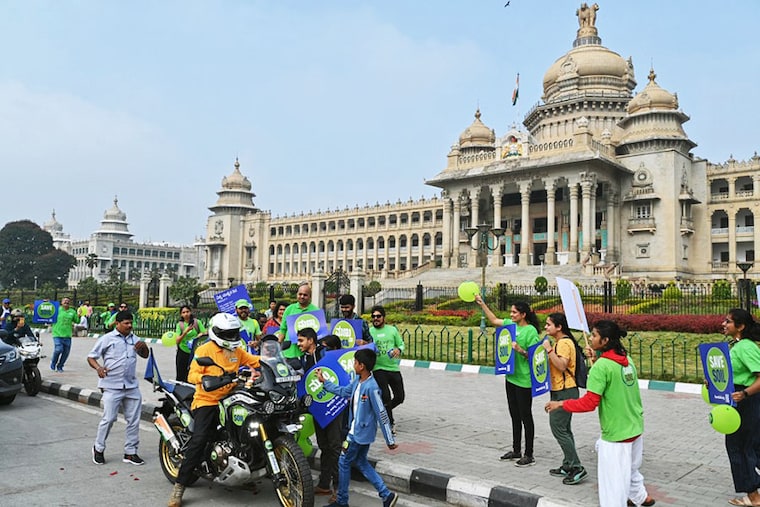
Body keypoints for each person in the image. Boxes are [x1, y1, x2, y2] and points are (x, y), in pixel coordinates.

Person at [546, 320, 653, 507]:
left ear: (604, 340)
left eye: (594, 335)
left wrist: (561, 404)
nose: (591, 338)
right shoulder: (628, 361)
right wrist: (596, 359)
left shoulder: (601, 367)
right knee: (631, 468)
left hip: (616, 434)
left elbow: (589, 403)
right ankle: (640, 497)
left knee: (612, 484)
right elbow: (613, 382)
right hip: (635, 426)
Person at [167, 313, 261, 507]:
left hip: (231, 397)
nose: (233, 336)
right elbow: (192, 373)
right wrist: (204, 380)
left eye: (234, 333)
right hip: (207, 399)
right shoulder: (204, 350)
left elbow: (254, 360)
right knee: (199, 439)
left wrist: (276, 363)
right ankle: (179, 486)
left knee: (248, 430)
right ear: (218, 333)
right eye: (229, 333)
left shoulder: (237, 350)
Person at [316, 348, 399, 507]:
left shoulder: (372, 387)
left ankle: (342, 501)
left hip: (358, 433)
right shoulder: (357, 381)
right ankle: (386, 495)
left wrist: (389, 439)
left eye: (355, 362)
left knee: (343, 462)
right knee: (361, 462)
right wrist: (325, 382)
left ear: (362, 366)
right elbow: (344, 391)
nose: (353, 364)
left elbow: (381, 412)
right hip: (358, 432)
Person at [475, 294, 540, 466]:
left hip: (524, 380)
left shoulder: (531, 331)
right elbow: (495, 320)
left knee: (526, 416)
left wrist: (520, 350)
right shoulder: (511, 326)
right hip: (510, 377)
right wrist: (482, 304)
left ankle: (529, 453)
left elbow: (535, 356)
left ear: (523, 314)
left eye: (514, 312)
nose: (511, 315)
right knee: (514, 414)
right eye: (511, 312)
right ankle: (516, 449)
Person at [87, 310, 149, 466]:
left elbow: (145, 355)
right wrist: (99, 368)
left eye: (131, 323)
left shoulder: (135, 339)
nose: (129, 326)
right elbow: (91, 357)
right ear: (117, 324)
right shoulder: (107, 339)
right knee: (109, 419)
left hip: (131, 385)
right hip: (111, 385)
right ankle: (98, 448)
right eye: (126, 323)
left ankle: (130, 453)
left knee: (133, 420)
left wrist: (144, 347)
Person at [542, 312, 587, 485]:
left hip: (565, 391)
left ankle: (577, 466)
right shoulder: (561, 342)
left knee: (558, 428)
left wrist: (548, 349)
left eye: (548, 324)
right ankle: (568, 464)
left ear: (559, 327)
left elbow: (561, 366)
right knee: (565, 429)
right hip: (562, 389)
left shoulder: (563, 343)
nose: (546, 327)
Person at [296, 327, 342, 497]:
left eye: (301, 340)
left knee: (335, 447)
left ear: (310, 340)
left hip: (333, 406)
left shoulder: (325, 353)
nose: (298, 343)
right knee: (324, 446)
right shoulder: (303, 359)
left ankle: (339, 490)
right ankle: (324, 484)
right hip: (317, 407)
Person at [721, 309, 760, 507]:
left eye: (728, 321)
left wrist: (745, 394)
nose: (723, 324)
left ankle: (753, 496)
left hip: (746, 400)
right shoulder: (737, 345)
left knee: (739, 447)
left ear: (741, 326)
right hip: (739, 397)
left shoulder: (746, 347)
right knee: (752, 445)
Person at [368, 305, 405, 435]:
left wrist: (398, 350)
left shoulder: (392, 330)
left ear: (384, 317)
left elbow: (401, 344)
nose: (375, 319)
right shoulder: (370, 332)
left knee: (400, 397)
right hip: (378, 368)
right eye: (373, 316)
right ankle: (389, 423)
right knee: (386, 396)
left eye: (378, 316)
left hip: (393, 367)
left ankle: (381, 410)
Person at [278, 282, 319, 358]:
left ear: (310, 296)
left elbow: (319, 334)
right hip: (289, 352)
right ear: (297, 294)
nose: (302, 296)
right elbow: (283, 329)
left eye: (305, 295)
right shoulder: (289, 309)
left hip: (307, 354)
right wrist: (278, 345)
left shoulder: (316, 311)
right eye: (300, 294)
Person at [173, 305, 207, 382]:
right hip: (183, 351)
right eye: (183, 312)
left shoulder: (197, 322)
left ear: (190, 312)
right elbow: (177, 340)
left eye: (187, 312)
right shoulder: (180, 325)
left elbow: (204, 332)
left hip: (195, 352)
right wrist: (185, 331)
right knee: (181, 373)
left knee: (193, 372)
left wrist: (199, 335)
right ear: (181, 314)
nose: (186, 314)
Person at [51, 297, 78, 372]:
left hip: (67, 335)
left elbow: (77, 321)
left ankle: (60, 366)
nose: (66, 302)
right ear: (61, 302)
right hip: (57, 334)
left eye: (68, 301)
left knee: (66, 353)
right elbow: (48, 313)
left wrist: (78, 315)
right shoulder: (56, 310)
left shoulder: (72, 311)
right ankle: (53, 363)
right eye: (64, 301)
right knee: (58, 349)